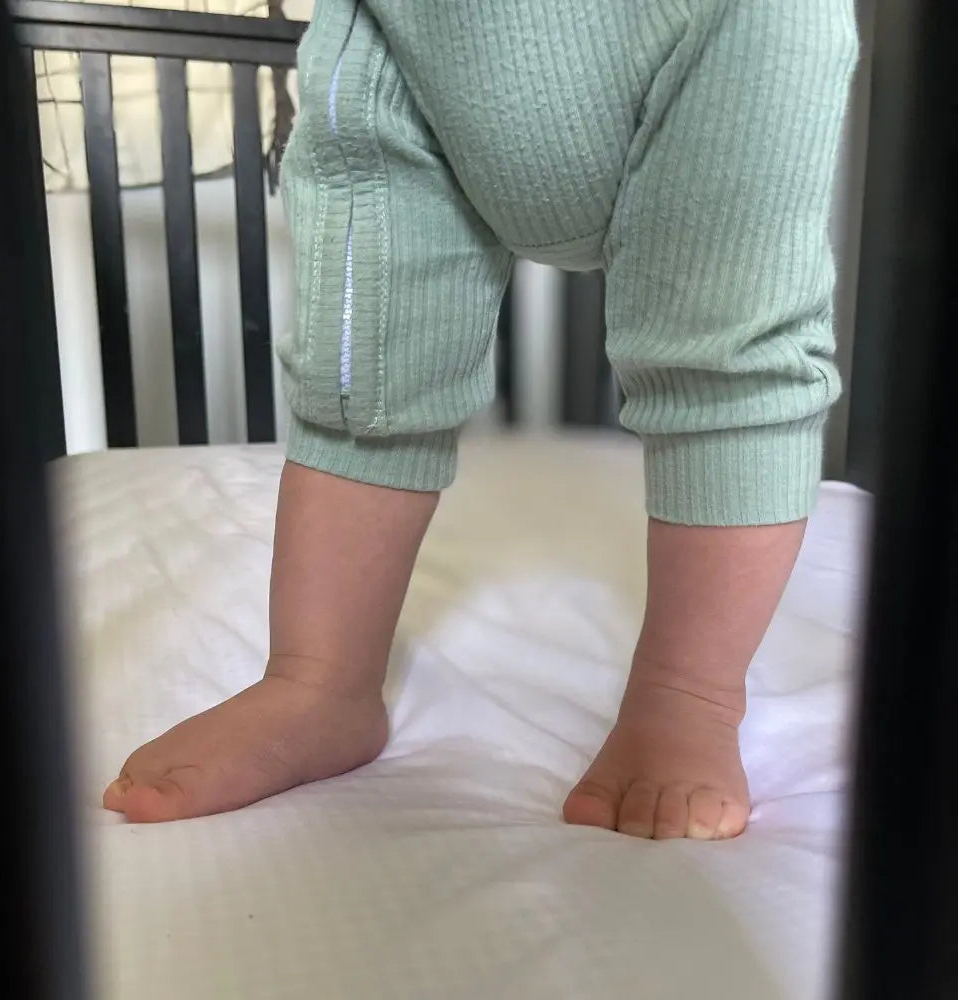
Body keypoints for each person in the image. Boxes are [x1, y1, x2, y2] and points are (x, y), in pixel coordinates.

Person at [103, 0, 858, 838]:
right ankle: (319, 680)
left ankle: (688, 697)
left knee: (729, 346)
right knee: (365, 349)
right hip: (412, 31)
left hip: (726, 23)